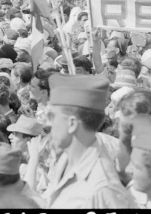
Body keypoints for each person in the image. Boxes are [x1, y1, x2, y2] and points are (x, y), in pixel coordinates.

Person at [43, 73, 136, 208]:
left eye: (51, 116)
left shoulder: (102, 190)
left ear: (72, 124)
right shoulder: (67, 159)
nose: (47, 123)